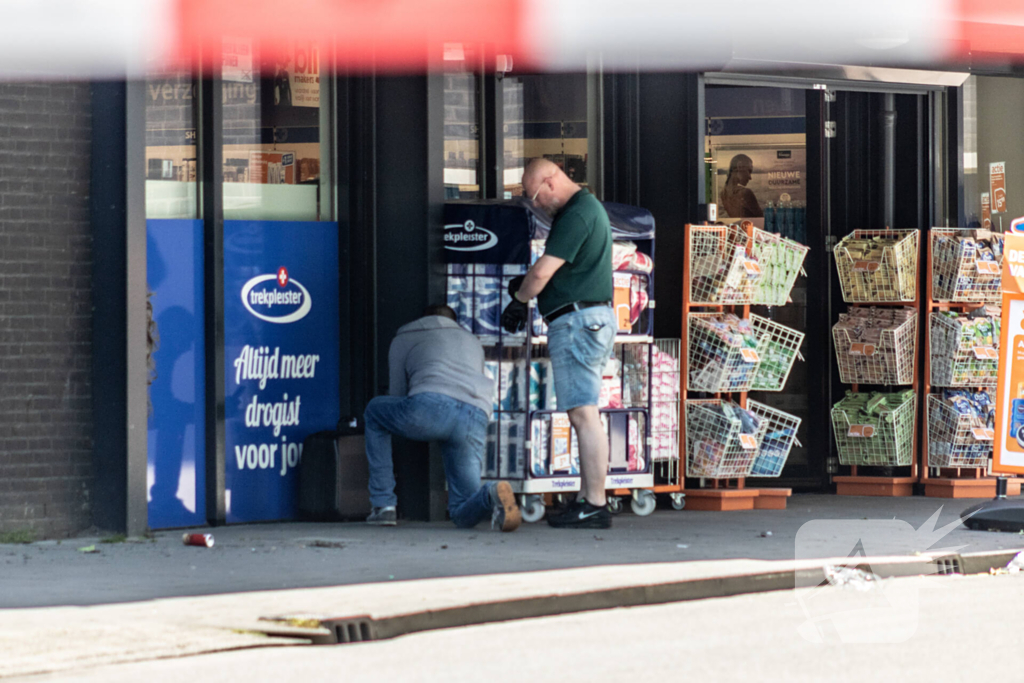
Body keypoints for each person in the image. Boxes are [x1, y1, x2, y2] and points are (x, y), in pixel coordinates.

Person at [502, 158, 617, 529]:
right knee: (584, 412)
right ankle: (587, 498)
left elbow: (542, 271)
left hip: (577, 322)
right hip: (588, 319)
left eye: (535, 196)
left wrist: (520, 299)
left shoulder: (577, 215)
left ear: (551, 182)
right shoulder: (586, 210)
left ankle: (595, 503)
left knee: (584, 414)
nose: (536, 205)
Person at [363, 304, 521, 532]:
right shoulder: (472, 341)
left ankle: (383, 505)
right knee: (461, 510)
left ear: (424, 318)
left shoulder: (406, 335)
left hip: (430, 408)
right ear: (455, 322)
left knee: (374, 412)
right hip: (475, 414)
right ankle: (490, 493)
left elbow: (397, 392)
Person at [719, 154, 763, 219]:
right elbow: (763, 220)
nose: (750, 177)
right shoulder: (745, 193)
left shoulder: (723, 193)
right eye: (749, 171)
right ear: (739, 166)